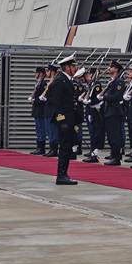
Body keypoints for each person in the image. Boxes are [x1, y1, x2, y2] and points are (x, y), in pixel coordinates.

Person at [45, 54, 79, 185]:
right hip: (64, 121)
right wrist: (62, 121)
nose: (75, 68)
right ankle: (61, 175)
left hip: (68, 120)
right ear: (67, 67)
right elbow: (56, 103)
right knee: (64, 148)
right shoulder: (60, 81)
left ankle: (64, 174)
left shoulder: (66, 80)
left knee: (67, 148)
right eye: (73, 66)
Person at [101, 60, 127, 165]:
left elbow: (117, 96)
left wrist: (104, 97)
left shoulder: (119, 82)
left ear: (116, 69)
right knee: (111, 136)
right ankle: (114, 155)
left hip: (115, 112)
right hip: (109, 112)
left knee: (115, 136)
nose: (109, 68)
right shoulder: (112, 81)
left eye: (111, 67)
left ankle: (116, 158)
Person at [82, 67, 106, 163]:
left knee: (96, 133)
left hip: (96, 112)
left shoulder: (97, 84)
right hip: (91, 111)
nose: (87, 76)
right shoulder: (91, 84)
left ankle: (95, 154)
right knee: (92, 133)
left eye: (89, 74)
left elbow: (98, 98)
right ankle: (93, 152)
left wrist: (90, 102)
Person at [29, 67, 48, 155]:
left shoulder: (44, 84)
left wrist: (34, 100)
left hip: (41, 110)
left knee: (41, 129)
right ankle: (39, 147)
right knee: (38, 129)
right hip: (37, 110)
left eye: (36, 73)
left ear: (41, 73)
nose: (35, 74)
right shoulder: (38, 83)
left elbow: (44, 98)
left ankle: (41, 148)